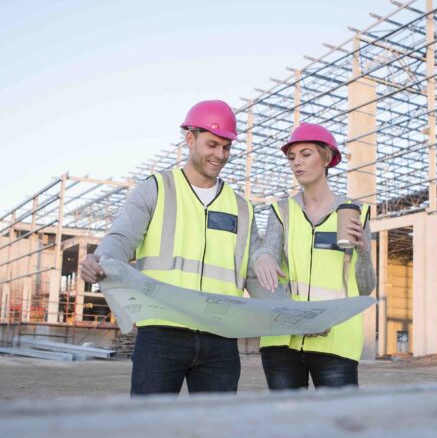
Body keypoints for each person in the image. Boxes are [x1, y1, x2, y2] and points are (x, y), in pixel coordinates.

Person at [79, 100, 262, 396]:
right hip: (161, 335)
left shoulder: (242, 208)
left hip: (220, 338)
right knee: (150, 428)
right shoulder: (155, 189)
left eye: (226, 147)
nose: (220, 155)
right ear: (190, 139)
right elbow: (122, 237)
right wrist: (101, 259)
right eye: (212, 145)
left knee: (215, 432)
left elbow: (254, 274)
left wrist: (292, 315)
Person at [253, 122, 376, 389]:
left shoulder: (355, 213)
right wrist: (261, 256)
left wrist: (363, 252)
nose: (297, 162)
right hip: (283, 339)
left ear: (327, 158)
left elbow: (365, 287)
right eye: (292, 157)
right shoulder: (282, 211)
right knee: (288, 425)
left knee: (336, 425)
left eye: (306, 154)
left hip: (335, 340)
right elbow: (268, 255)